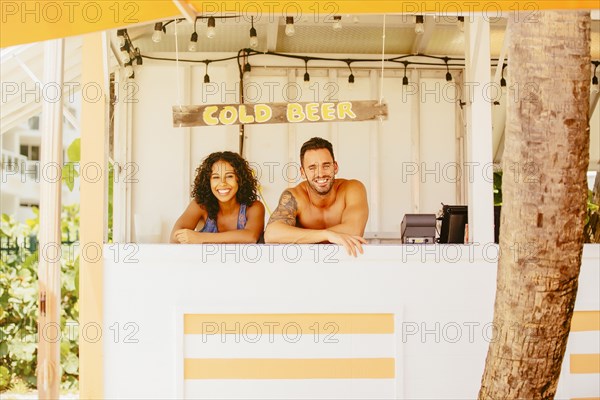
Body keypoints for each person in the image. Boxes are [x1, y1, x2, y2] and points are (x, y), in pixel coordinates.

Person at [264, 137, 369, 256]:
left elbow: (354, 230)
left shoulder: (352, 188)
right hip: (305, 264)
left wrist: (305, 236)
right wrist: (326, 235)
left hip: (346, 262)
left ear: (335, 167)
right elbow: (271, 234)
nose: (320, 174)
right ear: (303, 172)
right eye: (312, 167)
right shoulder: (295, 196)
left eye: (326, 166)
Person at [170, 151, 265, 244]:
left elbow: (250, 237)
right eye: (216, 177)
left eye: (229, 176)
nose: (222, 183)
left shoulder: (254, 207)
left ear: (240, 179)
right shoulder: (200, 206)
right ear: (208, 182)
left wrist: (200, 238)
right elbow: (175, 237)